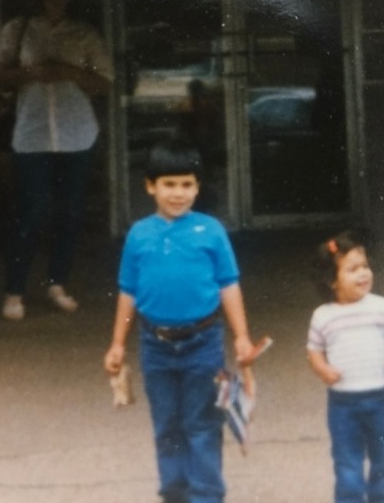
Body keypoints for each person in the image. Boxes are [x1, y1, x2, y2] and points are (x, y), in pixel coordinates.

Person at [103, 139, 254, 503]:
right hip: (156, 346)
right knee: (167, 425)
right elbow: (128, 292)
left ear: (198, 187)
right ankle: (175, 493)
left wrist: (242, 337)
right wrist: (118, 343)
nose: (178, 193)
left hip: (203, 343)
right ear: (150, 186)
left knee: (202, 423)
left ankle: (205, 496)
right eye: (169, 184)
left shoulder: (212, 231)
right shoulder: (139, 234)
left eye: (187, 184)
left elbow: (228, 285)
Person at [0, 0, 114, 321]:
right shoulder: (19, 29)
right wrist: (32, 72)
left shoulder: (83, 33)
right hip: (33, 133)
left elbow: (105, 80)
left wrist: (70, 72)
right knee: (31, 212)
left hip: (76, 133)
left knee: (70, 213)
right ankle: (14, 291)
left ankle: (57, 283)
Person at [307, 230, 384, 503]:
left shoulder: (380, 306)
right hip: (343, 403)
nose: (363, 273)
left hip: (382, 398)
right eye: (353, 269)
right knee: (348, 468)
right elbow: (314, 350)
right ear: (332, 281)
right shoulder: (323, 316)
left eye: (365, 266)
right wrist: (323, 369)